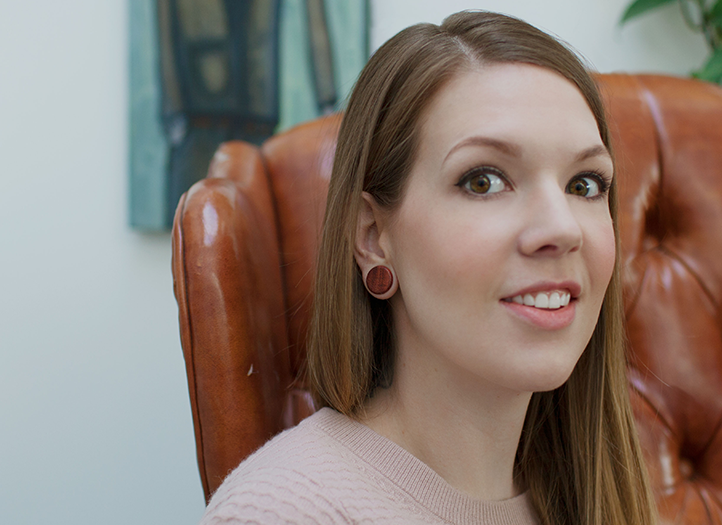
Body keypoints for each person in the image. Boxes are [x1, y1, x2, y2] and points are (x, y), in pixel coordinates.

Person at [201, 10, 655, 525]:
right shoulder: (284, 514)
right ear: (373, 237)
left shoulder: (593, 495)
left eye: (585, 185)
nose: (564, 229)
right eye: (484, 180)